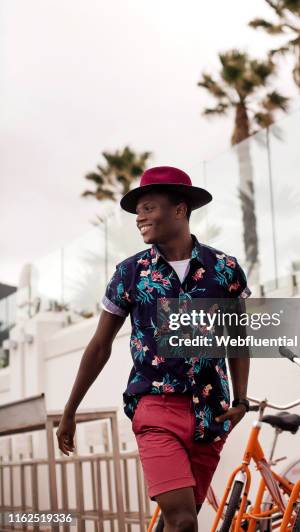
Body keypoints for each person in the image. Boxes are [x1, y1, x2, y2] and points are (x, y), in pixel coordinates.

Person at [56, 165, 251, 532]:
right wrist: (71, 410)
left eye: (148, 208)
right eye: (137, 211)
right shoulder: (131, 273)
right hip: (155, 409)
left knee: (179, 518)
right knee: (182, 521)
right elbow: (99, 347)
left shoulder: (224, 269)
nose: (139, 218)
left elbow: (237, 338)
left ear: (179, 209)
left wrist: (241, 400)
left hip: (211, 414)